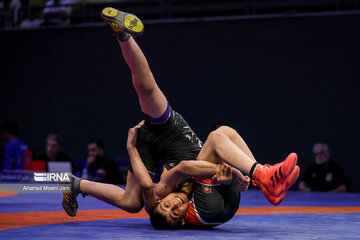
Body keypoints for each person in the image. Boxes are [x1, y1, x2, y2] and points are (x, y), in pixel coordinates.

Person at [61, 7, 299, 221]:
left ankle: (122, 35)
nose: (173, 204)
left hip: (157, 148)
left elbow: (168, 176)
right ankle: (261, 176)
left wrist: (131, 148)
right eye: (175, 210)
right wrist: (234, 177)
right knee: (222, 133)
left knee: (147, 90)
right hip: (180, 146)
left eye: (165, 205)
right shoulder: (197, 206)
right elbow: (196, 166)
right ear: (182, 219)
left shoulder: (156, 195)